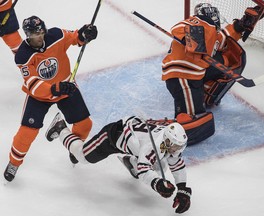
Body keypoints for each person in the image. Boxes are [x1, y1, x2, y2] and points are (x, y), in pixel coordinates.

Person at [3, 15, 98, 182]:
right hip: (39, 96)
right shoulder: (23, 56)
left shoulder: (56, 35)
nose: (39, 37)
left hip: (65, 87)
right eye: (34, 35)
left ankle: (74, 147)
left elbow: (74, 37)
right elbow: (32, 84)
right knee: (27, 132)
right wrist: (54, 88)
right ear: (27, 35)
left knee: (85, 124)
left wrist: (85, 34)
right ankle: (14, 162)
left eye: (41, 33)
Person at [45, 113, 192, 214]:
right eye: (176, 146)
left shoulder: (167, 144)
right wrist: (158, 184)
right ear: (167, 140)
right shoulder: (152, 146)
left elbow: (177, 164)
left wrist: (182, 189)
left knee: (161, 166)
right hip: (111, 139)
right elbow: (143, 171)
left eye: (180, 146)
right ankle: (60, 127)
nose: (177, 150)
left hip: (133, 144)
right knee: (82, 156)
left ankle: (130, 160)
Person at [161, 3, 264, 141]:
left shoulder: (213, 36)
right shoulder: (200, 23)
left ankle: (205, 92)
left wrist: (241, 24)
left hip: (195, 74)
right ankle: (165, 130)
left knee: (228, 60)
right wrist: (192, 37)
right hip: (181, 75)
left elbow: (226, 35)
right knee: (193, 118)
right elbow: (177, 28)